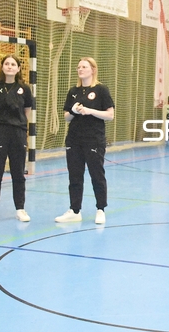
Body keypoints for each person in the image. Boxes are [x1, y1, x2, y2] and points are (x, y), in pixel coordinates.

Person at [55, 57, 115, 224]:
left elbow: (110, 115)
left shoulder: (101, 89)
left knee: (97, 174)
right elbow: (66, 117)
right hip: (74, 139)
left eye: (84, 67)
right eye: (79, 67)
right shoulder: (73, 91)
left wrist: (90, 111)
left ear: (92, 70)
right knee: (74, 175)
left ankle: (100, 209)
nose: (80, 69)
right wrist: (73, 111)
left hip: (94, 139)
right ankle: (75, 210)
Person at [0, 54, 33, 223]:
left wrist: (20, 125)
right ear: (2, 67)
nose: (10, 66)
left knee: (18, 173)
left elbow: (27, 111)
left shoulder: (24, 89)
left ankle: (20, 209)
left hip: (18, 133)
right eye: (7, 64)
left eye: (13, 64)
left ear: (18, 68)